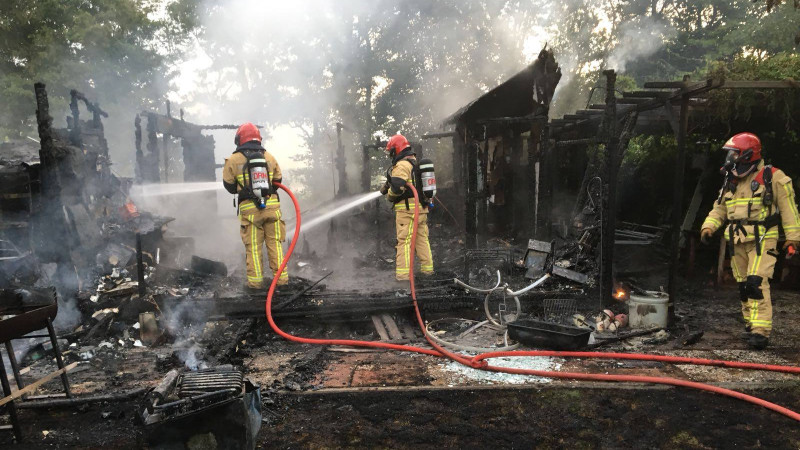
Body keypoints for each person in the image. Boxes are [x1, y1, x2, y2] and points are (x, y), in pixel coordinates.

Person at [700, 132, 800, 349]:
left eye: (734, 154)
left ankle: (760, 332)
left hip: (763, 239)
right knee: (744, 285)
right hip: (737, 240)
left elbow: (789, 210)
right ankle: (750, 324)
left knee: (756, 282)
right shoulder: (732, 179)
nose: (730, 159)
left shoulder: (773, 177)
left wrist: (793, 239)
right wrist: (709, 226)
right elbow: (720, 208)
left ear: (747, 154)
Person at [222, 122, 288, 291]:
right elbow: (278, 181)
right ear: (258, 138)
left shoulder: (233, 160)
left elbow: (229, 187)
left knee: (253, 248)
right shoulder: (270, 157)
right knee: (275, 245)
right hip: (272, 209)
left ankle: (256, 285)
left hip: (251, 213)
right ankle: (281, 282)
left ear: (239, 139)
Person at [380, 134, 434, 281]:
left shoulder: (402, 165)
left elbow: (397, 189)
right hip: (420, 209)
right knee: (422, 240)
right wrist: (385, 187)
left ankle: (403, 277)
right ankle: (428, 271)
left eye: (391, 151)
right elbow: (398, 182)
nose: (391, 155)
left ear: (396, 149)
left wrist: (389, 196)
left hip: (407, 211)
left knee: (404, 242)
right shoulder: (413, 163)